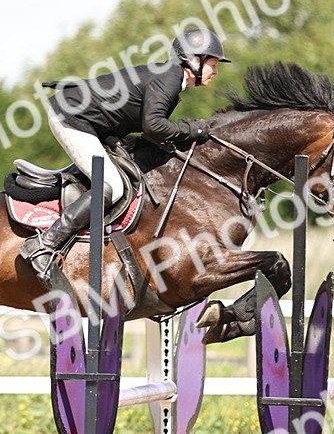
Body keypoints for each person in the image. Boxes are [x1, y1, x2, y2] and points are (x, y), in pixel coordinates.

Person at [19, 27, 230, 284]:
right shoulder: (170, 79)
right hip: (71, 116)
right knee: (112, 187)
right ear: (194, 60)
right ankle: (44, 244)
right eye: (213, 64)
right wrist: (193, 129)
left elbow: (151, 132)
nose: (216, 71)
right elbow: (154, 126)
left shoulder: (170, 77)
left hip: (93, 123)